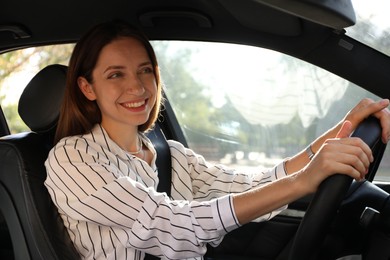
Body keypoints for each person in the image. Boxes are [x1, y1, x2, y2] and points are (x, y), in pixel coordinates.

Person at [44, 20, 390, 260]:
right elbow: (176, 225)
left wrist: (340, 131)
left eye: (145, 69)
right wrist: (305, 180)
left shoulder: (170, 154)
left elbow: (253, 185)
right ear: (87, 87)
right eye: (115, 74)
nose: (137, 87)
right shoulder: (72, 159)